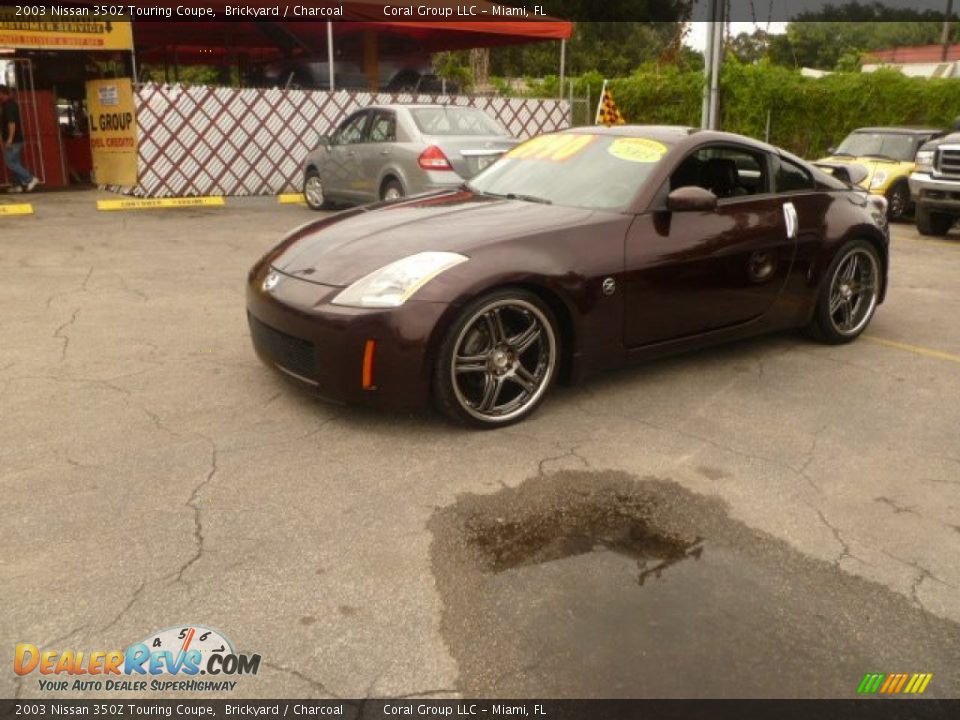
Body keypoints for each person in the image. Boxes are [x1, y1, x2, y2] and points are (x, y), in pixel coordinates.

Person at [0, 85, 39, 193]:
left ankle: (30, 179)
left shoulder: (9, 106)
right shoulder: (7, 105)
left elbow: (12, 123)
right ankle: (19, 185)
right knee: (15, 162)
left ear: (2, 93)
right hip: (14, 139)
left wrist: (9, 139)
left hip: (14, 140)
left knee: (10, 163)